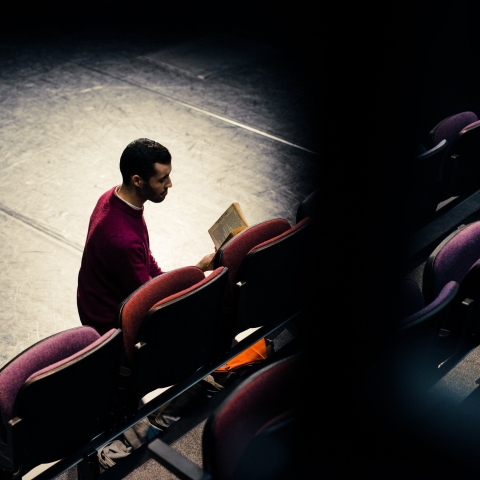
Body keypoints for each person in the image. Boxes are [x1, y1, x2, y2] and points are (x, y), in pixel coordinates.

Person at [77, 138, 215, 334]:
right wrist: (197, 271)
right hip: (111, 324)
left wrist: (174, 277)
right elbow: (149, 299)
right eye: (161, 179)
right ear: (137, 180)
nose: (170, 184)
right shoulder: (121, 239)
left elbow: (145, 261)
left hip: (111, 298)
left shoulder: (115, 197)